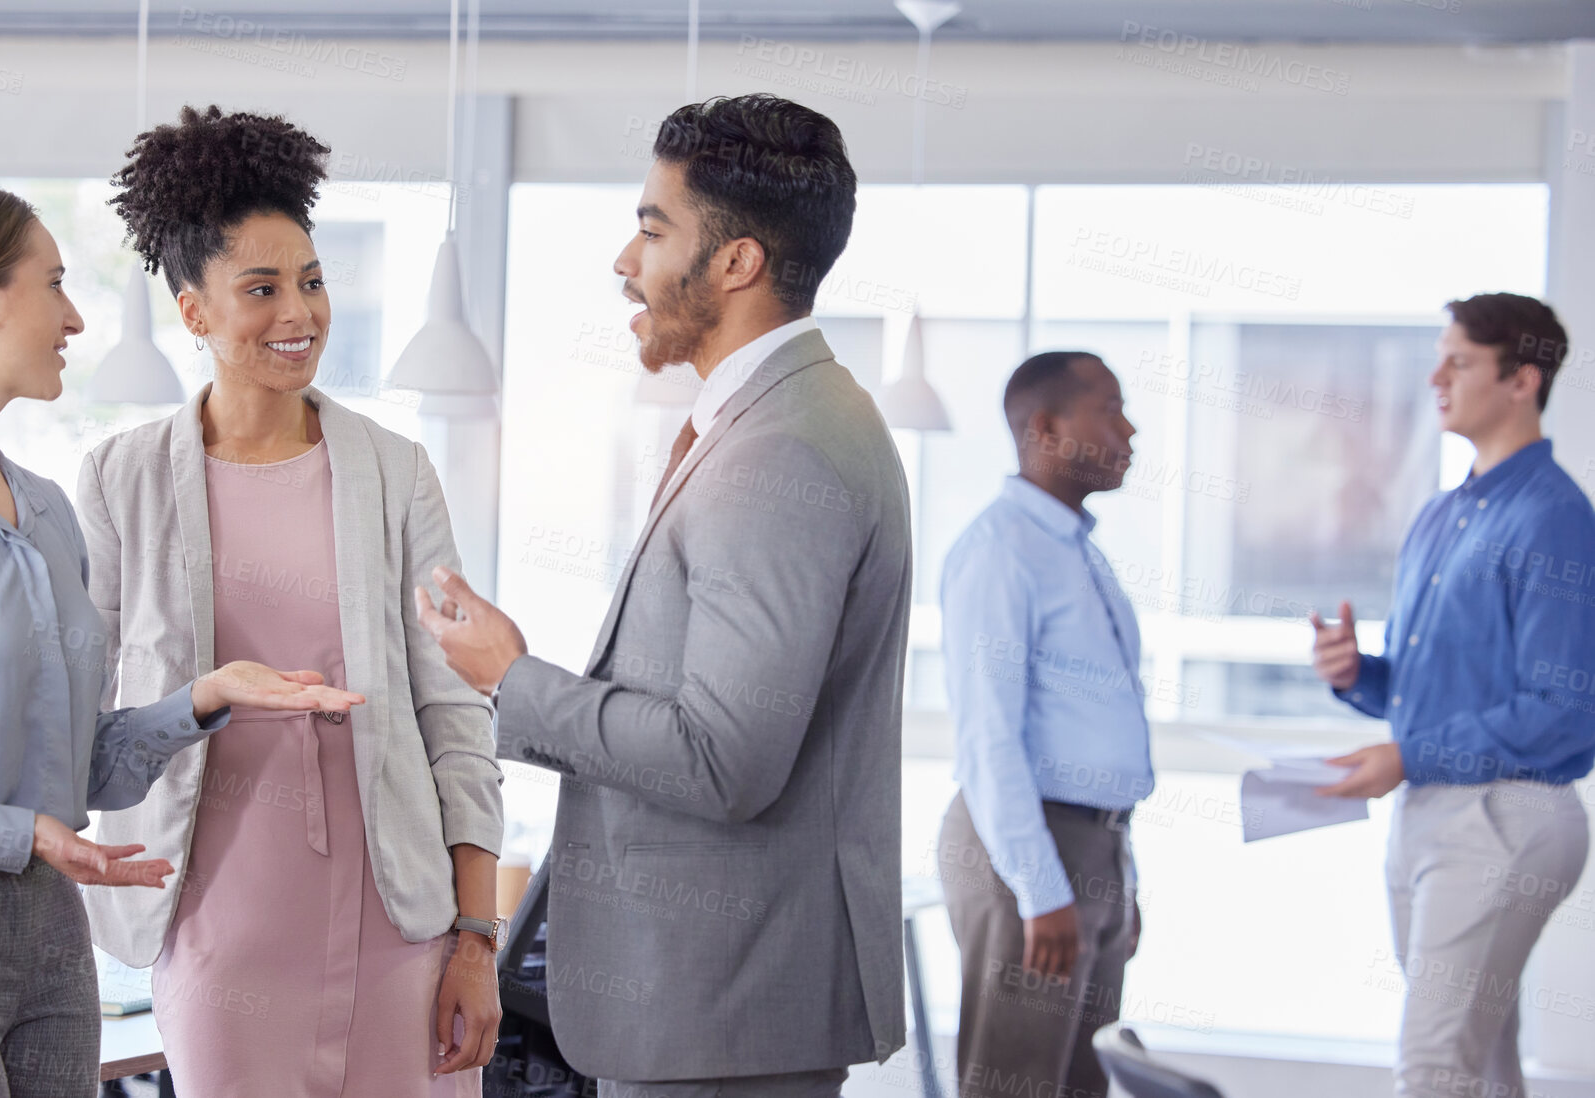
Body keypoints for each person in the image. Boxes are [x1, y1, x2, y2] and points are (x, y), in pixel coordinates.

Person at [0, 177, 361, 1098]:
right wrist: (17, 835)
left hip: (50, 944)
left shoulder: (45, 516)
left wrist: (201, 700)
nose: (76, 318)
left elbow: (75, 771)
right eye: (53, 285)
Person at [414, 94, 912, 1098]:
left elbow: (725, 757)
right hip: (710, 1001)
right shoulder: (778, 419)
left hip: (724, 1010)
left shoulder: (784, 452)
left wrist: (514, 681)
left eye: (651, 228)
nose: (622, 261)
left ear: (736, 263)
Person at [80, 105, 504, 1097]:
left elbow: (454, 714)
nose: (299, 313)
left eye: (311, 282)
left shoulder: (396, 473)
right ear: (193, 313)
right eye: (261, 289)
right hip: (219, 926)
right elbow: (76, 726)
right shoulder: (120, 481)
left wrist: (476, 938)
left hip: (399, 924)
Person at [1312, 293, 1595, 1098]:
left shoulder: (1555, 519)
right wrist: (1356, 675)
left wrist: (1407, 753)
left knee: (1434, 1066)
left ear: (1522, 380)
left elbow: (1566, 708)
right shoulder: (1440, 518)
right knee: (1482, 1055)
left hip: (1506, 812)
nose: (1435, 375)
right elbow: (1431, 692)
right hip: (1433, 807)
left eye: (1460, 360)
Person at [935, 351, 1151, 1098]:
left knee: (1084, 1083)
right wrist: (1041, 889)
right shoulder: (1000, 553)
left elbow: (1094, 732)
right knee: (1016, 1086)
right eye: (1110, 410)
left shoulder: (1077, 552)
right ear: (1047, 428)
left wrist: (1121, 879)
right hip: (1029, 846)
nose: (1130, 430)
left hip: (1093, 844)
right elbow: (988, 738)